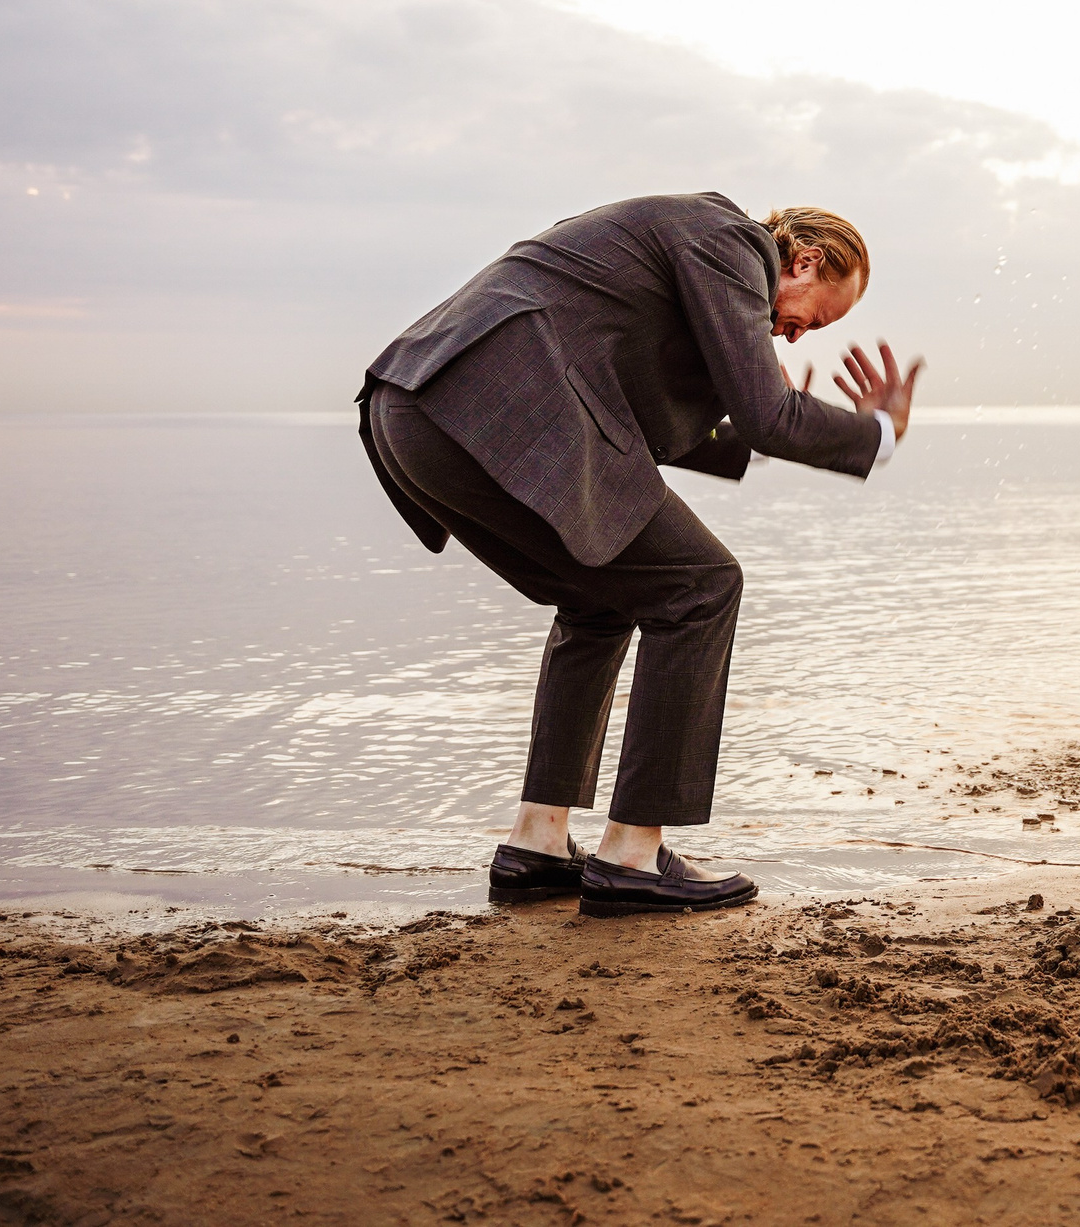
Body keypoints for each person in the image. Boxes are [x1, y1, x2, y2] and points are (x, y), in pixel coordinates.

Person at [357, 194, 922, 918]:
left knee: (599, 601)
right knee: (703, 584)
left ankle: (539, 842)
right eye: (815, 316)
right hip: (484, 404)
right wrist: (875, 434)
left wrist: (774, 423)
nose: (795, 334)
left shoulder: (690, 254)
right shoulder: (730, 243)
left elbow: (658, 421)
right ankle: (633, 853)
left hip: (423, 411)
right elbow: (764, 413)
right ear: (805, 261)